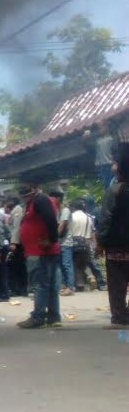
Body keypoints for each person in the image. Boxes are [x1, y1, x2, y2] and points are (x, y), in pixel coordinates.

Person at [16, 184, 60, 329]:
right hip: (41, 250)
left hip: (40, 251)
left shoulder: (40, 200)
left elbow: (51, 220)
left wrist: (51, 239)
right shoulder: (34, 202)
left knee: (40, 285)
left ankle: (38, 317)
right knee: (49, 285)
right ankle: (53, 317)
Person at [96, 146, 129, 329]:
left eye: (116, 164)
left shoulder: (115, 190)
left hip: (117, 246)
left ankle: (119, 317)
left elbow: (105, 218)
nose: (113, 167)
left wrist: (100, 241)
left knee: (117, 283)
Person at [67, 199, 96, 291]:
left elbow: (68, 230)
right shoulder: (88, 217)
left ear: (73, 207)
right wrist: (94, 244)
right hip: (86, 243)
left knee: (75, 265)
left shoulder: (71, 216)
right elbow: (92, 232)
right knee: (83, 264)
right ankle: (90, 276)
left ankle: (80, 284)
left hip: (73, 243)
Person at [50, 190, 75, 296]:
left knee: (66, 264)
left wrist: (54, 238)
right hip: (60, 242)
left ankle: (70, 287)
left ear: (58, 198)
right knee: (61, 264)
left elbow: (62, 225)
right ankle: (64, 285)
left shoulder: (65, 210)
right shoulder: (58, 210)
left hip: (66, 242)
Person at [7, 195, 28, 296]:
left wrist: (13, 242)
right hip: (18, 242)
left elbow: (16, 227)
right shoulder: (16, 210)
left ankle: (21, 288)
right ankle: (20, 288)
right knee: (18, 266)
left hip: (18, 243)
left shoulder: (17, 210)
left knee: (19, 266)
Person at [89, 121, 118, 188]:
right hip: (101, 166)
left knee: (113, 183)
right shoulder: (96, 140)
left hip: (110, 164)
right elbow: (89, 147)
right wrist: (85, 138)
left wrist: (115, 163)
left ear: (106, 127)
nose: (99, 130)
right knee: (106, 185)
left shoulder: (112, 138)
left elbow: (116, 151)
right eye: (98, 128)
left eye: (101, 127)